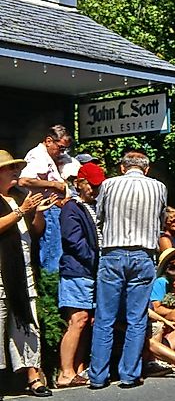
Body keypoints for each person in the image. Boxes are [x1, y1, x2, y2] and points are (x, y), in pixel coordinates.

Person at [88, 150, 167, 390]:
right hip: (143, 253)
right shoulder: (159, 187)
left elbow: (99, 217)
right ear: (146, 168)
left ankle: (98, 376)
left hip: (113, 252)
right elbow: (161, 220)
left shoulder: (109, 185)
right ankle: (129, 374)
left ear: (123, 167)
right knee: (136, 317)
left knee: (105, 317)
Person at [0, 150, 57, 397]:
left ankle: (34, 374)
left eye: (16, 167)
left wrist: (39, 212)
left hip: (23, 271)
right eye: (9, 168)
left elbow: (35, 232)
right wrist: (21, 211)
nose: (15, 172)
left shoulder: (19, 197)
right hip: (2, 271)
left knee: (28, 321)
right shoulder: (16, 203)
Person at [56, 162, 106, 388]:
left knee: (89, 321)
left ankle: (78, 368)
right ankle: (65, 372)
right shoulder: (72, 208)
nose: (95, 190)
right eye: (91, 186)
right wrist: (96, 261)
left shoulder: (95, 207)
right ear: (79, 183)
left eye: (98, 186)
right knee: (77, 320)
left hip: (91, 271)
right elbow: (73, 241)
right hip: (77, 271)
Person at [18, 125, 76, 273]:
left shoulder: (52, 157)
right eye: (61, 148)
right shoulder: (38, 155)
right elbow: (24, 180)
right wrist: (54, 185)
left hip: (58, 208)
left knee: (60, 251)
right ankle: (49, 287)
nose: (62, 152)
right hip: (49, 209)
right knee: (52, 253)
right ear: (49, 141)